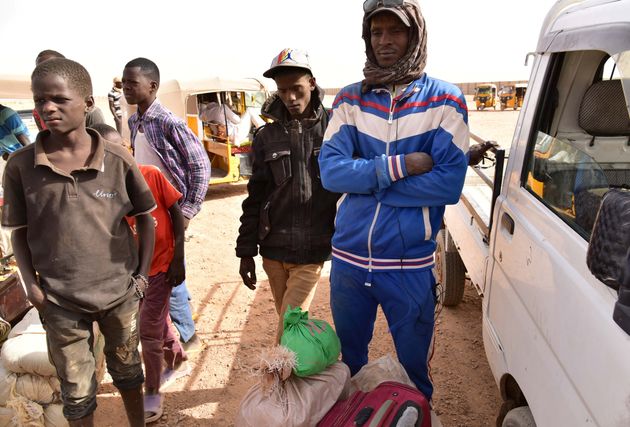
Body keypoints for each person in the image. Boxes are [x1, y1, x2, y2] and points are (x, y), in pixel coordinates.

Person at [318, 0, 469, 401]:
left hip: (409, 266)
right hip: (349, 264)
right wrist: (400, 166)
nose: (384, 40)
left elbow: (447, 185)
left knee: (414, 371)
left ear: (415, 34)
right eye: (376, 31)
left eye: (395, 31)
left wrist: (367, 177)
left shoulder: (445, 101)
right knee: (348, 366)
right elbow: (331, 173)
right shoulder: (350, 100)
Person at [2, 58, 156, 426]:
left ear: (87, 103)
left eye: (58, 99)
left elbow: (145, 218)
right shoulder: (21, 166)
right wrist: (32, 288)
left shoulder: (117, 159)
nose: (47, 108)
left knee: (128, 373)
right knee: (76, 390)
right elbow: (19, 232)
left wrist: (142, 275)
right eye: (40, 101)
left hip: (118, 292)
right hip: (59, 299)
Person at [236, 48, 339, 343]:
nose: (291, 98)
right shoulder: (266, 137)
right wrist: (246, 251)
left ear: (312, 83)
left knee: (289, 332)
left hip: (312, 250)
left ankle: (279, 381)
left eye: (297, 89)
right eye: (283, 91)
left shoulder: (334, 129)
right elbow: (255, 197)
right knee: (294, 324)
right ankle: (300, 384)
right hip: (273, 252)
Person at [92, 123, 188, 423]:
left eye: (115, 151)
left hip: (160, 266)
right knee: (154, 319)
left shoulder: (151, 175)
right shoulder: (102, 190)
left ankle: (152, 392)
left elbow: (175, 214)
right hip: (130, 273)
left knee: (147, 329)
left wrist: (178, 259)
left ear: (127, 146)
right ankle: (176, 354)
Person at [122, 57, 210, 353]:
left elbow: (200, 166)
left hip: (169, 209)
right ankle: (177, 333)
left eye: (132, 83)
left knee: (167, 271)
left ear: (153, 86)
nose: (126, 89)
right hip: (148, 212)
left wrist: (186, 211)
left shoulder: (167, 121)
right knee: (160, 270)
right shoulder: (135, 121)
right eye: (124, 83)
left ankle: (186, 338)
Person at [34, 49, 105, 130]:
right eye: (40, 69)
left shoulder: (91, 113)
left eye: (60, 99)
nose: (48, 108)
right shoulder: (39, 111)